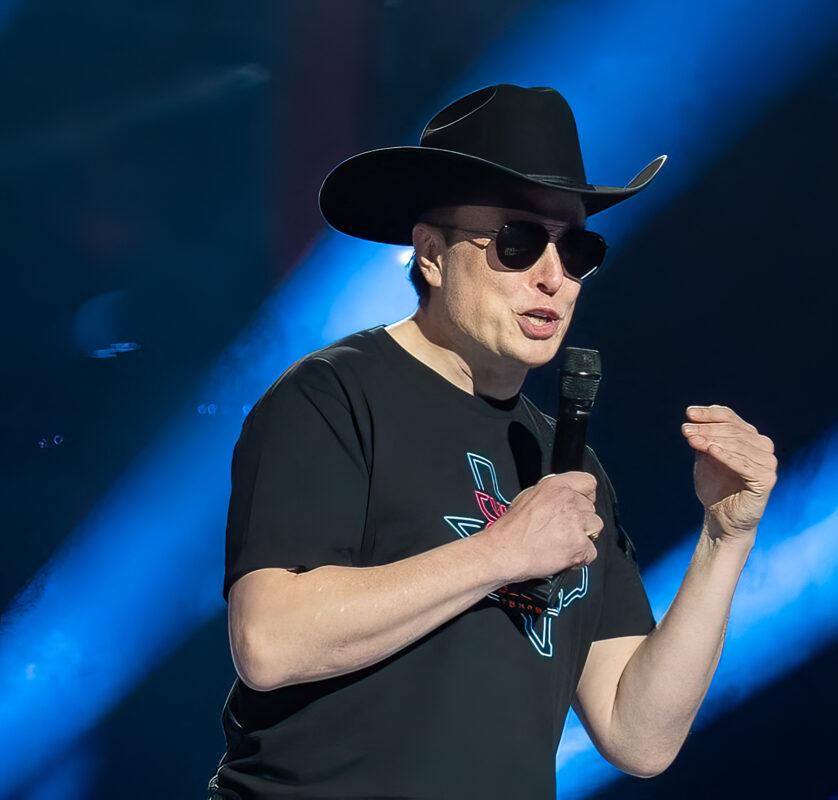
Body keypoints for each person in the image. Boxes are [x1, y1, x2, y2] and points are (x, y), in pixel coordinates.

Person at [208, 83, 778, 799]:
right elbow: (268, 642)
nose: (552, 276)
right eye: (517, 242)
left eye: (576, 249)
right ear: (432, 254)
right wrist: (502, 553)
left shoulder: (570, 468)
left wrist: (724, 542)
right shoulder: (334, 396)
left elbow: (640, 735)